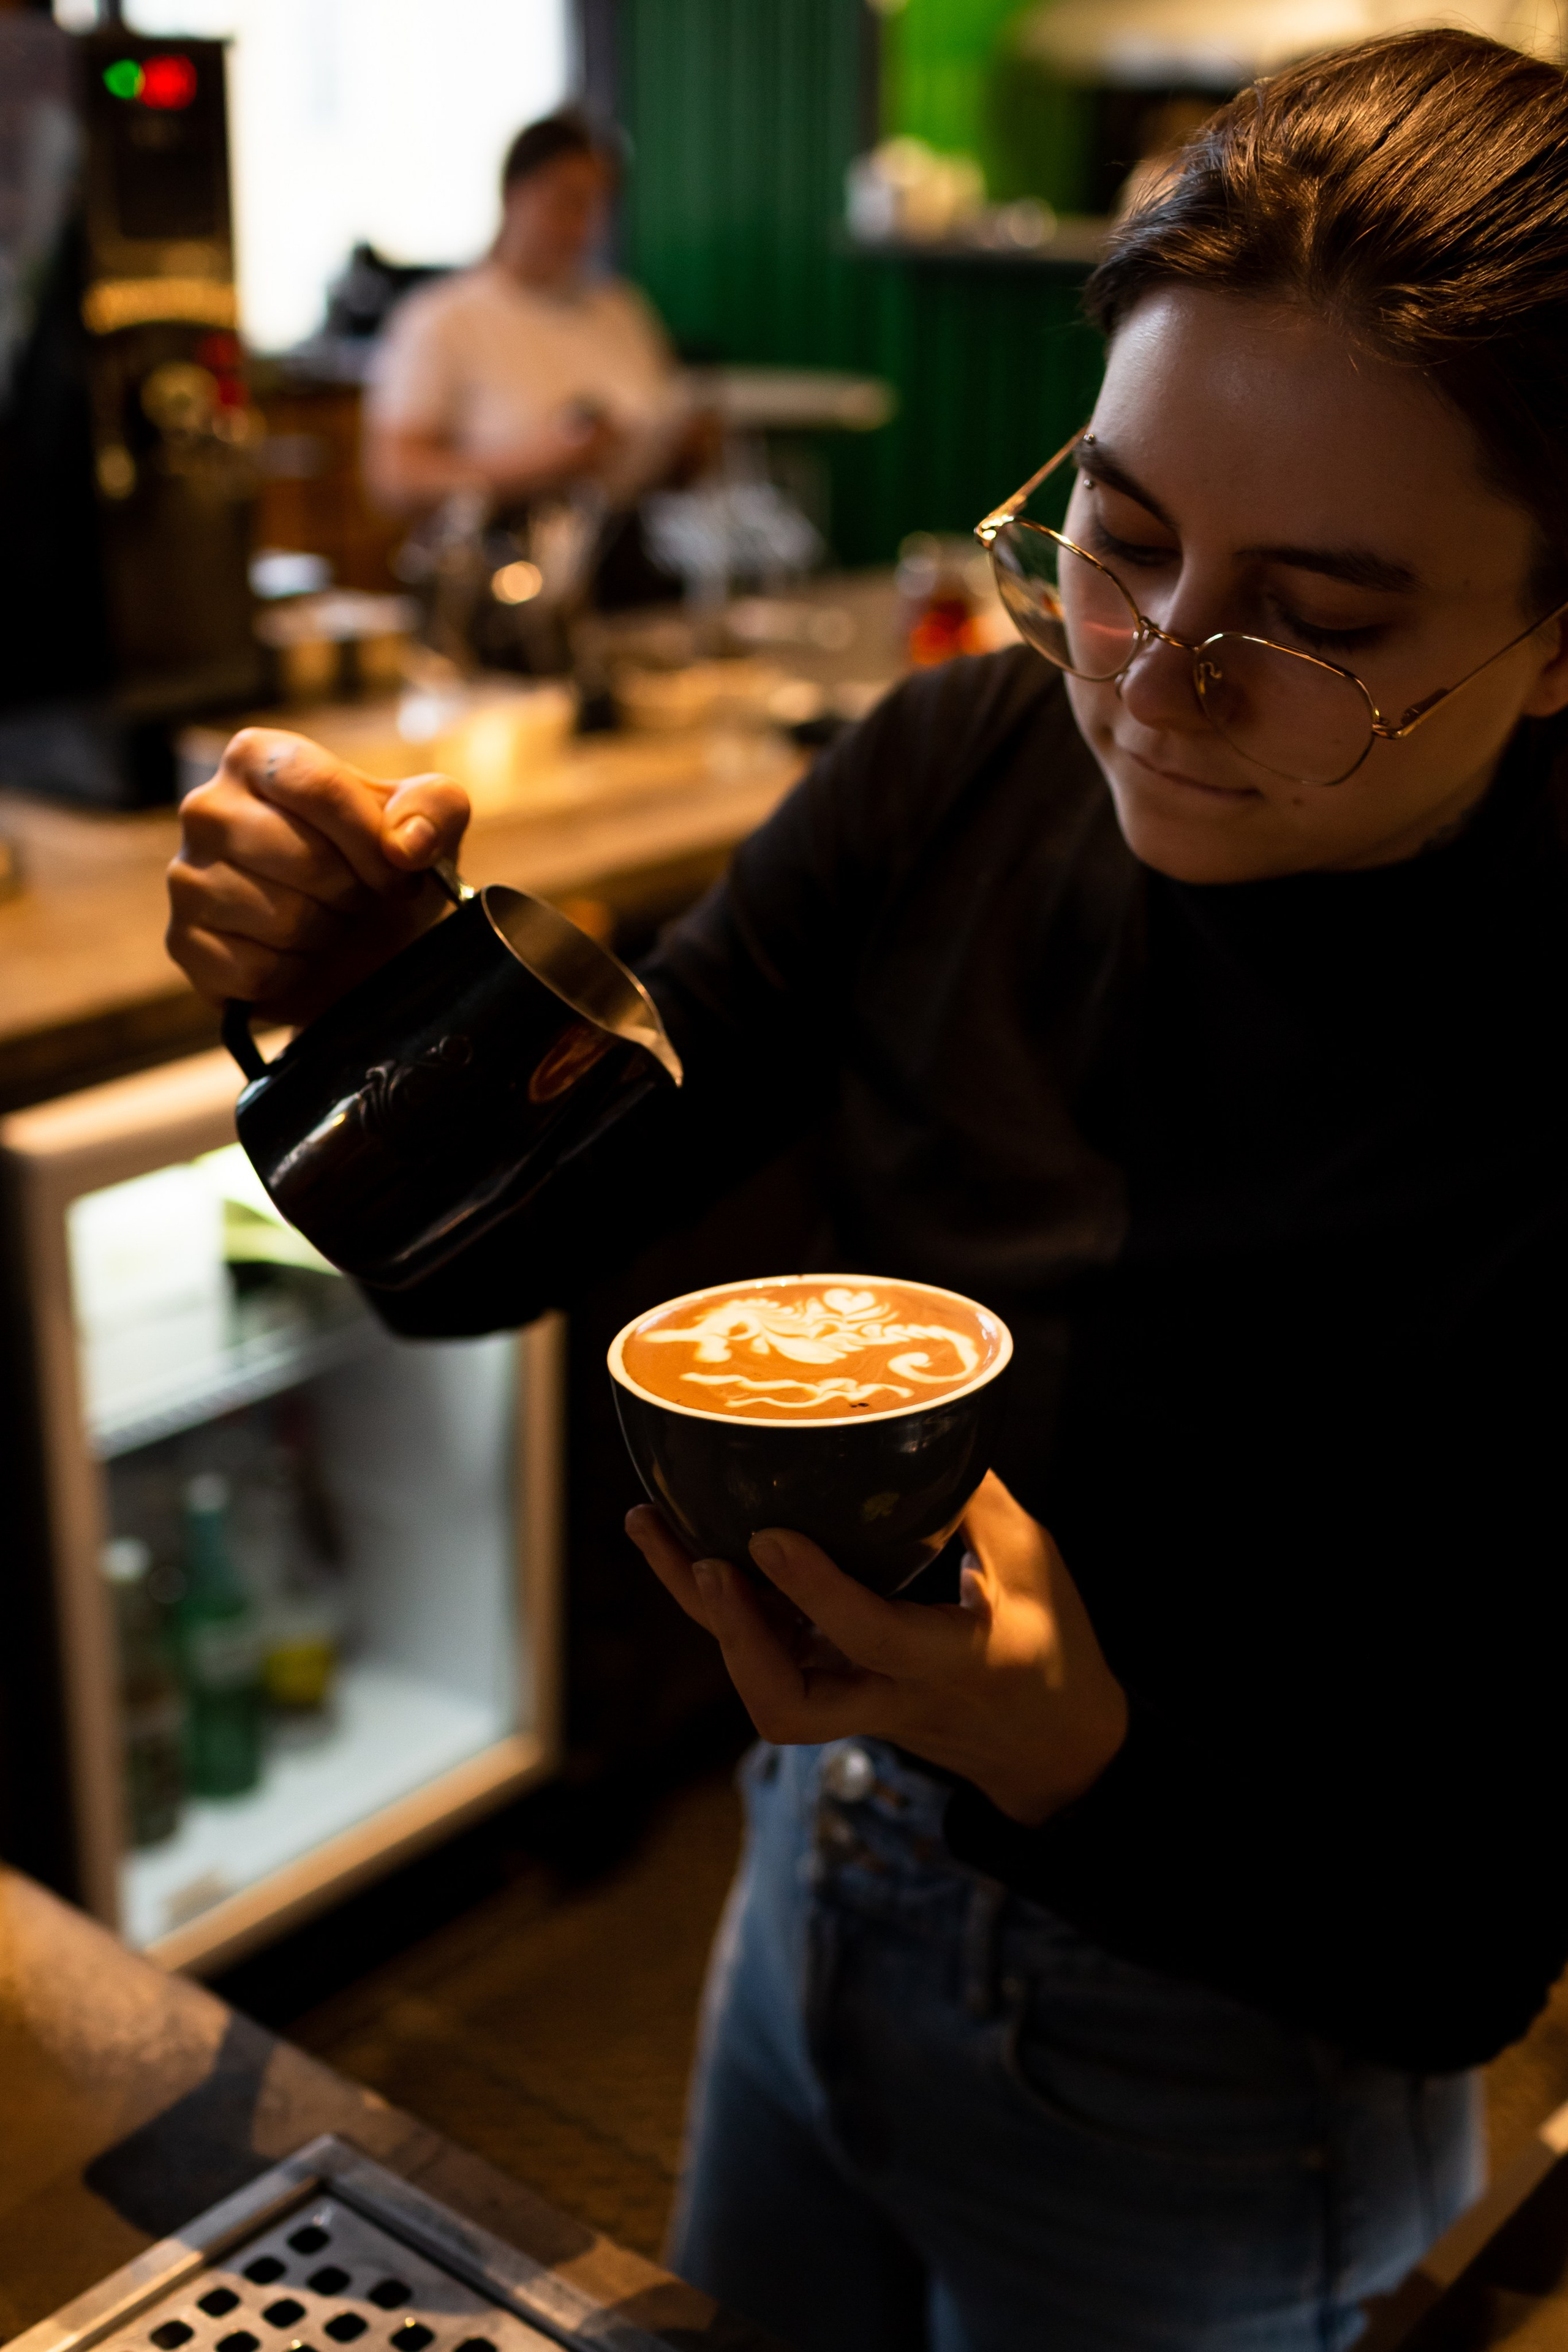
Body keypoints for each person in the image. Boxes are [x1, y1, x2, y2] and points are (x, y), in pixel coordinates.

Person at [167, 31, 1568, 2348]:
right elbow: (496, 1257)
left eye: (1319, 621)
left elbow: (1449, 1955)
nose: (1151, 678)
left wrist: (1068, 1747)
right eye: (1113, 534)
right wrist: (365, 1021)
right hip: (809, 1897)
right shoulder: (955, 763)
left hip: (1206, 2077)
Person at [363, 108, 706, 521]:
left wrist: (683, 452)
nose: (586, 227)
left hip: (627, 549)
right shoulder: (442, 317)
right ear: (513, 195)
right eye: (569, 202)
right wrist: (539, 463)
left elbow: (658, 444)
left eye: (599, 207)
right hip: (505, 558)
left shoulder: (621, 309)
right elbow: (394, 479)